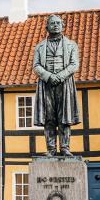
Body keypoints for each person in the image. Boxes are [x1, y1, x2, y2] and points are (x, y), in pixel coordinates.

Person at [33, 14, 81, 157]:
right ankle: (51, 148)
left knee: (64, 117)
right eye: (52, 23)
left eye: (57, 23)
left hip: (64, 84)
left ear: (62, 26)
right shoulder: (40, 47)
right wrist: (49, 76)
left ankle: (65, 147)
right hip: (46, 85)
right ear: (47, 27)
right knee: (49, 117)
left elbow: (74, 64)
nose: (55, 25)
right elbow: (36, 66)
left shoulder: (72, 45)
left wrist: (60, 76)